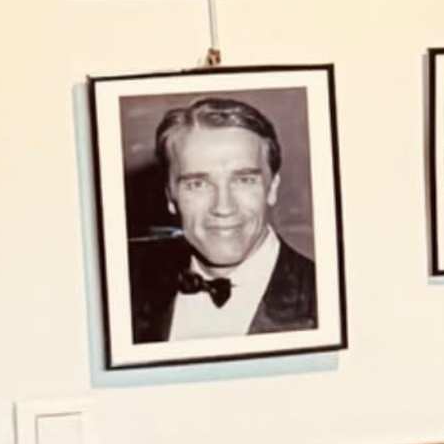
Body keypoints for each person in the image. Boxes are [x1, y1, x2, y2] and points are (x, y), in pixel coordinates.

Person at [129, 92, 320, 341]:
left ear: (272, 188)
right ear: (170, 197)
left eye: (243, 180)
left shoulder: (328, 299)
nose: (223, 207)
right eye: (197, 184)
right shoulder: (128, 297)